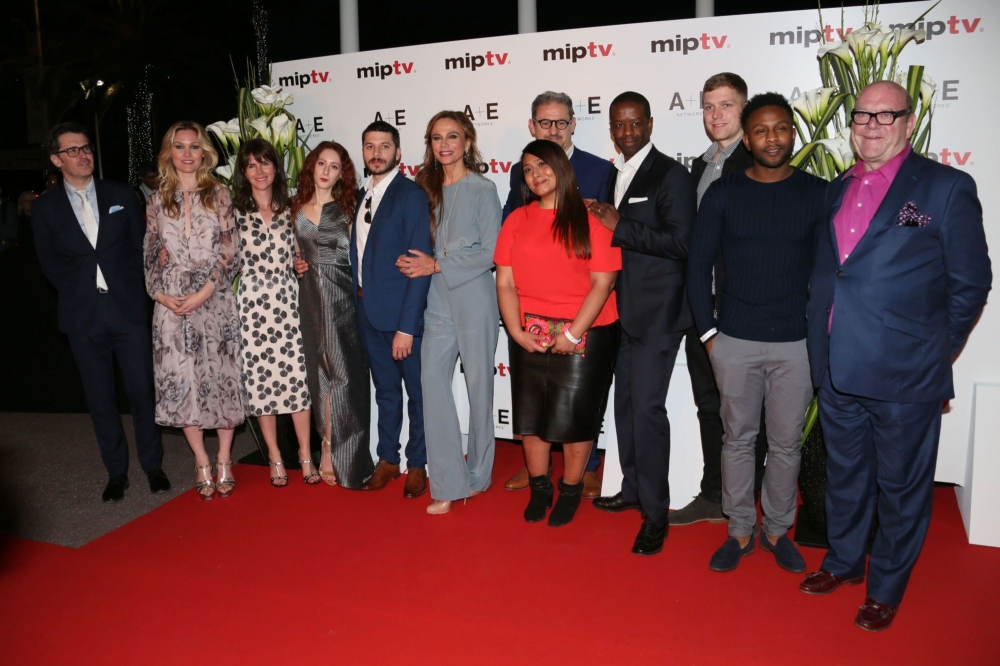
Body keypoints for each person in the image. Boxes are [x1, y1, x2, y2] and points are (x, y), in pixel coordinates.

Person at [800, 80, 991, 631]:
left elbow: (971, 284)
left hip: (906, 374)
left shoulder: (946, 187)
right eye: (862, 116)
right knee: (845, 475)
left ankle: (886, 587)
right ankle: (843, 562)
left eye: (886, 116)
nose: (872, 126)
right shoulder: (837, 187)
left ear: (909, 122)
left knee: (903, 486)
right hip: (836, 366)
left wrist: (932, 354)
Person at [688, 92, 824, 574]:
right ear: (747, 139)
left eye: (781, 128)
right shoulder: (723, 194)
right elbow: (697, 266)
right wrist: (709, 335)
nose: (772, 137)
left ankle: (777, 530)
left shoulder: (817, 192)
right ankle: (740, 529)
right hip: (735, 341)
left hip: (796, 345)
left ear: (793, 132)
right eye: (761, 130)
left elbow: (829, 271)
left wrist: (819, 338)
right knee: (738, 440)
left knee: (787, 444)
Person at [34, 122, 169, 503]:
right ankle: (116, 472)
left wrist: (127, 290)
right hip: (82, 315)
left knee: (143, 391)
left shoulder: (121, 194)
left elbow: (136, 247)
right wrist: (83, 292)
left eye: (86, 148)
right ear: (56, 159)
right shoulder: (45, 208)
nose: (83, 155)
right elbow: (49, 264)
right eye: (73, 150)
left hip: (126, 310)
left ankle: (153, 465)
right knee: (100, 397)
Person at [588, 92, 695, 556]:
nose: (627, 132)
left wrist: (619, 225)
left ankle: (656, 515)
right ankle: (632, 488)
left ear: (650, 124)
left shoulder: (671, 174)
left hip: (658, 314)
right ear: (611, 129)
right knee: (627, 405)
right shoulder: (616, 170)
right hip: (621, 310)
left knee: (648, 411)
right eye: (619, 125)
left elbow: (681, 243)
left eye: (634, 124)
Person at [494, 139, 621, 527]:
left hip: (588, 330)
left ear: (563, 168)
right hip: (529, 330)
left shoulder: (592, 218)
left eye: (544, 165)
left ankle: (569, 489)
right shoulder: (517, 219)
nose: (536, 174)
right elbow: (504, 283)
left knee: (576, 419)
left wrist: (572, 333)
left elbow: (604, 282)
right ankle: (539, 488)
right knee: (531, 419)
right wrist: (515, 331)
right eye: (528, 169)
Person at [671, 72, 770, 527]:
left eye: (726, 105)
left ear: (744, 110)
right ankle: (715, 495)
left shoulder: (754, 164)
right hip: (700, 306)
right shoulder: (699, 165)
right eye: (709, 106)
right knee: (709, 405)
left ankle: (748, 500)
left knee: (748, 410)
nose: (716, 115)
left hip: (740, 308)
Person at [399, 111, 501, 515]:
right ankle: (446, 481)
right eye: (437, 138)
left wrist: (439, 263)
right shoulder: (422, 189)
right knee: (432, 385)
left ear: (467, 142)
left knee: (479, 389)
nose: (444, 145)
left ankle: (478, 475)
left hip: (474, 296)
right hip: (436, 301)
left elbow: (491, 253)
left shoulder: (483, 189)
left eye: (452, 137)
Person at [144, 120, 242, 500]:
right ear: (170, 152)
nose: (187, 153)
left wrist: (204, 291)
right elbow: (150, 251)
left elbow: (231, 252)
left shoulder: (219, 193)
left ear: (205, 152)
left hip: (213, 298)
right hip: (172, 304)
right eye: (180, 147)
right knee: (181, 382)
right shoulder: (157, 199)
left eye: (194, 146)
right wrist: (158, 293)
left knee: (221, 379)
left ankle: (224, 459)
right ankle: (201, 459)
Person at [352, 120, 433, 498]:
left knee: (417, 393)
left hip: (401, 318)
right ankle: (388, 459)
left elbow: (420, 266)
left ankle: (418, 464)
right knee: (385, 391)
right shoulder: (360, 196)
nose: (377, 153)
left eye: (384, 146)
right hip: (368, 314)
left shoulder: (410, 195)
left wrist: (407, 326)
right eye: (370, 146)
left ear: (398, 153)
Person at [291, 141, 375, 489]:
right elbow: (293, 250)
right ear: (312, 166)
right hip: (309, 297)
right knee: (319, 376)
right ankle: (326, 447)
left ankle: (347, 456)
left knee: (344, 377)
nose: (326, 171)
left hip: (343, 298)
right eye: (321, 164)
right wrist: (294, 264)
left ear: (343, 174)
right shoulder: (295, 207)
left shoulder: (349, 208)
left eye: (334, 166)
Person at [233, 138, 315, 486]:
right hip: (252, 305)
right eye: (251, 165)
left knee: (297, 382)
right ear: (244, 172)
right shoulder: (234, 212)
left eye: (264, 163)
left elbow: (301, 252)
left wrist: (300, 263)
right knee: (261, 385)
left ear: (275, 167)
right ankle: (275, 457)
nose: (259, 170)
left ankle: (306, 456)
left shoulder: (291, 208)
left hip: (287, 301)